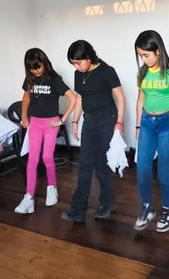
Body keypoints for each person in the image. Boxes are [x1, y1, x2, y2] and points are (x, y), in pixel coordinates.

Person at [133, 30, 169, 233]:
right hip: (148, 121)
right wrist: (139, 126)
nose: (143, 59)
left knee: (163, 171)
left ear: (158, 51)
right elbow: (140, 100)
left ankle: (167, 210)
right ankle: (147, 207)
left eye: (146, 55)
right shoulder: (142, 72)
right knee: (142, 168)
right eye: (140, 55)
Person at [61, 40, 125, 222]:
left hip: (107, 120)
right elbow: (80, 97)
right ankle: (78, 210)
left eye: (78, 62)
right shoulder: (78, 74)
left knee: (102, 165)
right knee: (84, 165)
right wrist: (74, 121)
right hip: (89, 121)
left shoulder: (107, 71)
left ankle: (107, 203)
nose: (76, 66)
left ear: (88, 58)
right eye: (73, 63)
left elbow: (120, 98)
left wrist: (119, 123)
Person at [15, 48, 76, 214]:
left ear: (45, 63)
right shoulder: (30, 79)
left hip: (50, 124)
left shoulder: (55, 80)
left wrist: (62, 120)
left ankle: (52, 188)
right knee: (32, 160)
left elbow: (73, 98)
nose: (35, 71)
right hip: (34, 123)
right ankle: (29, 197)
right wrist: (24, 117)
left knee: (47, 157)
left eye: (38, 67)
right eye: (32, 68)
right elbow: (26, 97)